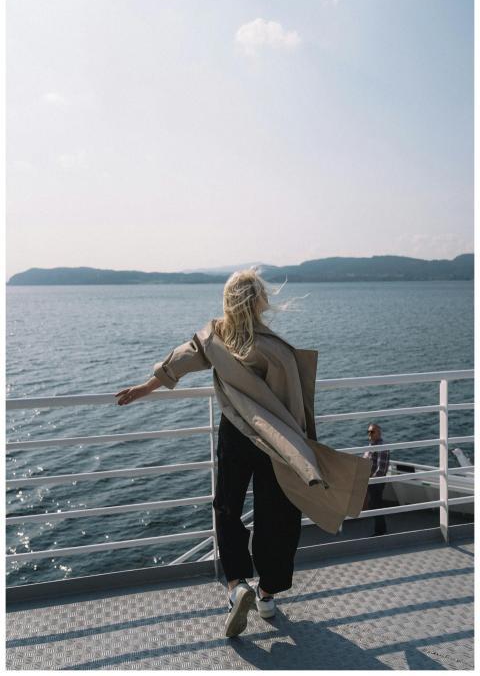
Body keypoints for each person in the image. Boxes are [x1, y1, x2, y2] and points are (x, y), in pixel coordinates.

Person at [116, 268, 370, 638]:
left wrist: (145, 387)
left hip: (235, 433)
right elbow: (295, 409)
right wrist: (302, 446)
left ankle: (237, 585)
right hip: (274, 442)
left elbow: (181, 360)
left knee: (227, 507)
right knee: (278, 513)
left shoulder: (215, 337)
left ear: (228, 301)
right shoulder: (277, 350)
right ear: (260, 302)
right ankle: (267, 593)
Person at [363, 423, 390, 536]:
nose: (370, 433)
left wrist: (371, 481)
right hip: (369, 480)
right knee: (373, 504)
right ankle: (380, 529)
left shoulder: (381, 447)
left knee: (376, 505)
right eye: (368, 431)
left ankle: (381, 531)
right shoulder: (371, 445)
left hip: (376, 482)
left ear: (379, 433)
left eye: (372, 431)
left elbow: (381, 469)